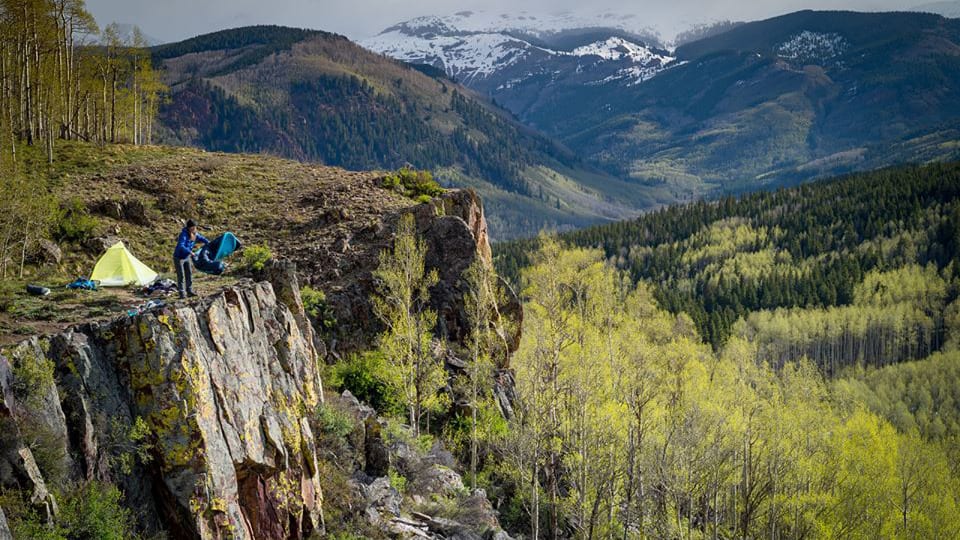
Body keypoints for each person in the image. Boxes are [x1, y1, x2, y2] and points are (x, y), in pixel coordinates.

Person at [173, 219, 209, 299]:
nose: (194, 229)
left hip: (187, 257)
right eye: (192, 227)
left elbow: (202, 238)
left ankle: (189, 291)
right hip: (179, 258)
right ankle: (182, 293)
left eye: (195, 227)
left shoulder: (195, 234)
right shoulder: (183, 235)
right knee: (181, 276)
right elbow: (180, 246)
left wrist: (209, 243)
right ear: (189, 227)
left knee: (189, 273)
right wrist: (190, 252)